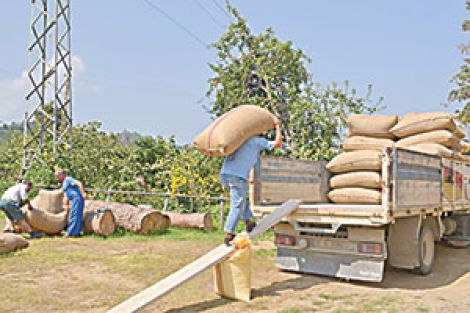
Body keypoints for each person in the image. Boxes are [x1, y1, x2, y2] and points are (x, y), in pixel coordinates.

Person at [221, 119, 283, 245]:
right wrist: (277, 126)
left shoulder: (238, 139)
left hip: (225, 174)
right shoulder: (256, 141)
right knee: (237, 204)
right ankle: (229, 234)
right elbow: (277, 143)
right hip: (237, 177)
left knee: (242, 199)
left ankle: (248, 222)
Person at [54, 170, 86, 237]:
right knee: (76, 215)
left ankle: (69, 233)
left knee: (74, 215)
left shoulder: (68, 179)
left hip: (77, 198)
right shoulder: (64, 183)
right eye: (56, 177)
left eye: (57, 176)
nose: (57, 178)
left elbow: (79, 183)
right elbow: (67, 194)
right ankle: (76, 233)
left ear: (62, 175)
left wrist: (83, 193)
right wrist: (67, 204)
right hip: (74, 200)